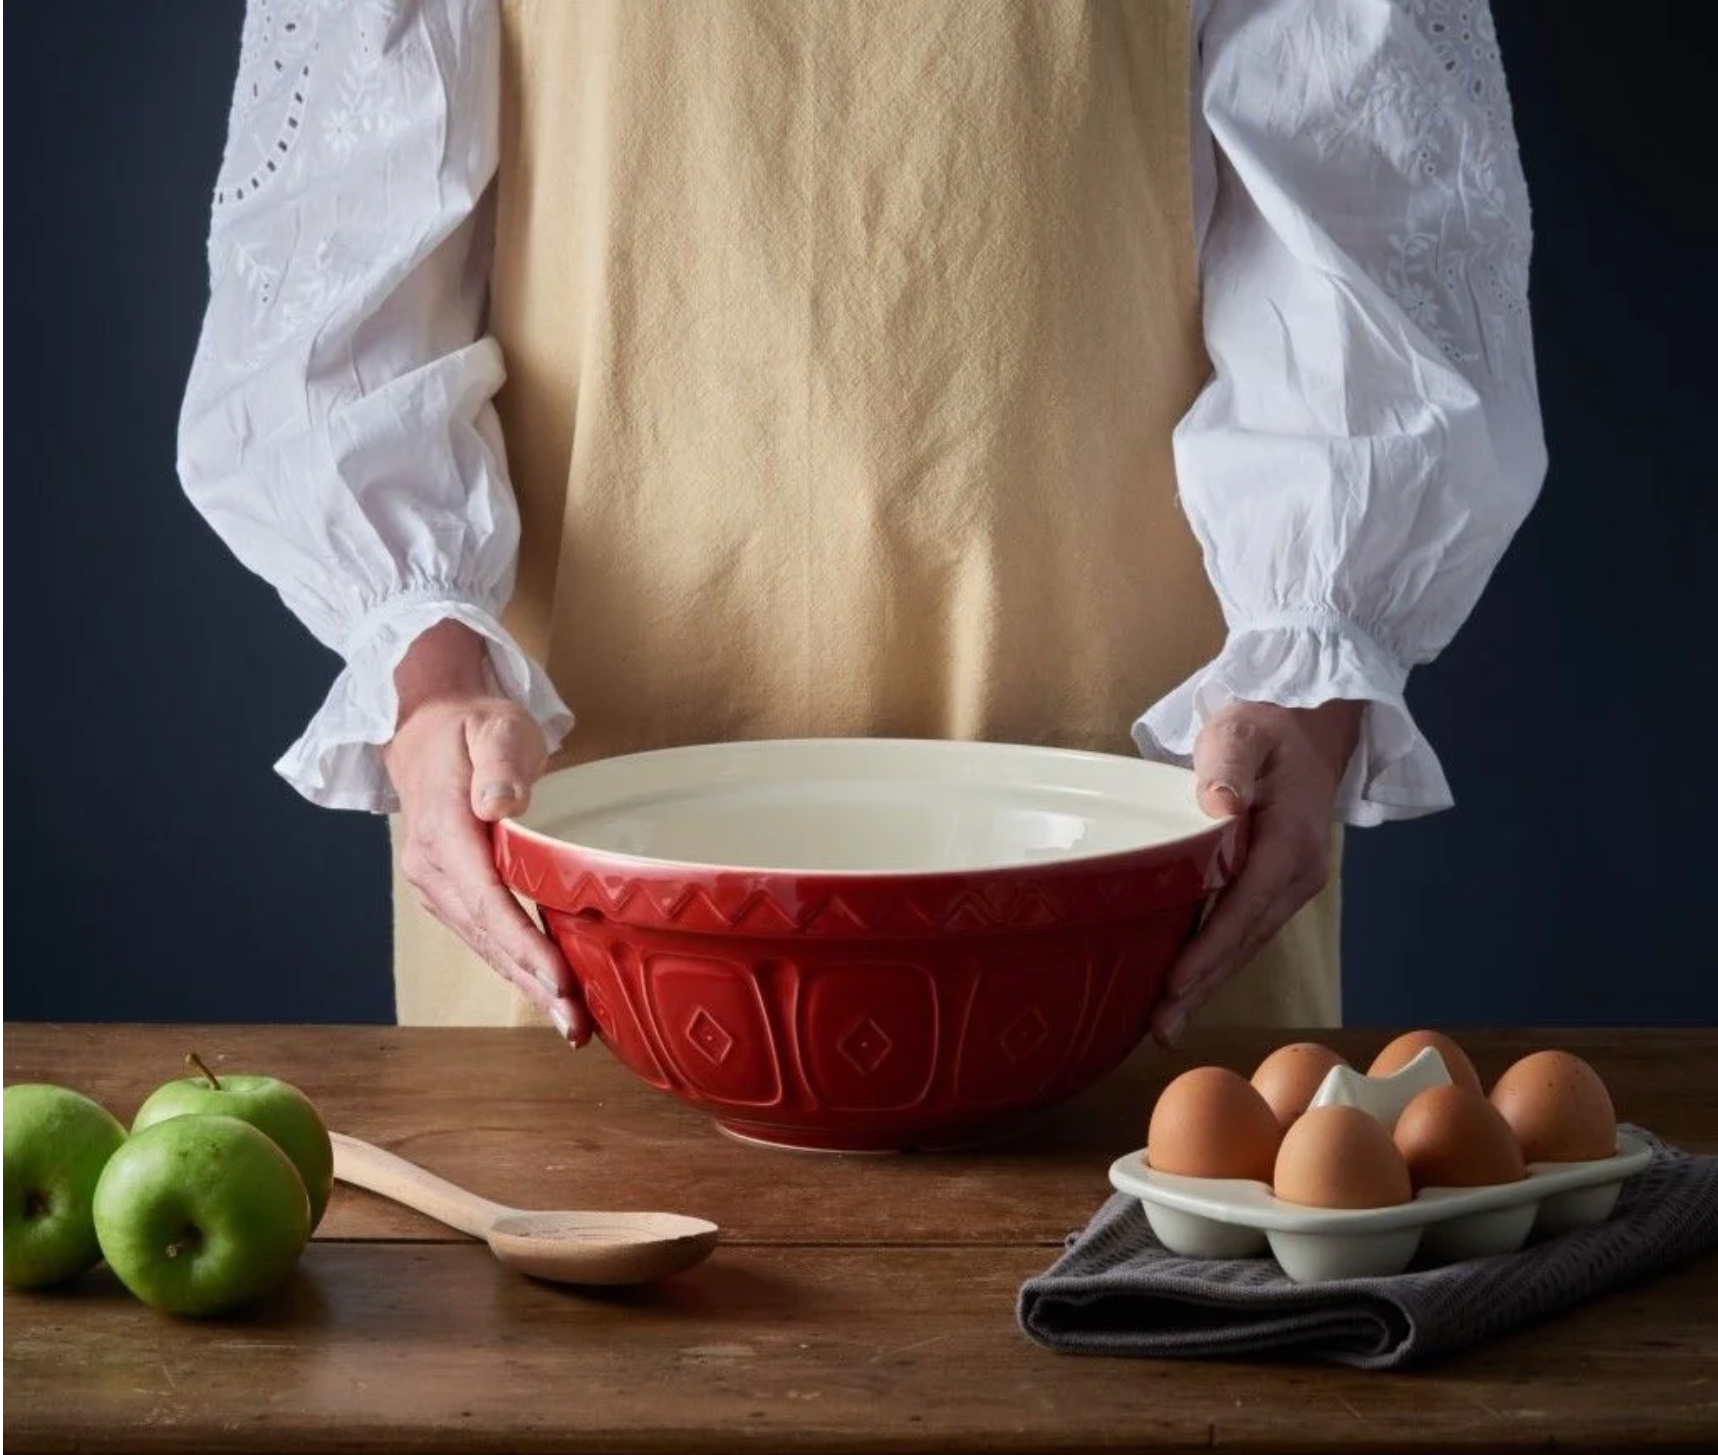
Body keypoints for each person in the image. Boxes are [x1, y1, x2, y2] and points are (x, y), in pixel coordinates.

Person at [178, 0, 1545, 1049]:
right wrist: (428, 672)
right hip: (581, 871)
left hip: (1142, 846)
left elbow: (1370, 234)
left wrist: (1309, 688)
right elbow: (334, 300)